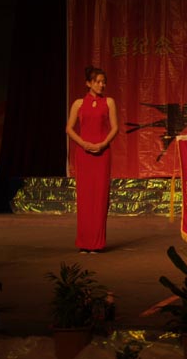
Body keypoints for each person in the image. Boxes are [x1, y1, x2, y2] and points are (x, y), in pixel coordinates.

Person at [66, 66, 118, 254]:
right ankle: (84, 242)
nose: (101, 85)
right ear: (88, 83)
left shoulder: (109, 102)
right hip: (84, 154)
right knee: (85, 197)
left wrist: (103, 144)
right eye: (97, 81)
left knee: (100, 197)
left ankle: (96, 243)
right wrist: (83, 143)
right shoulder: (78, 104)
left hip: (102, 154)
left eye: (103, 82)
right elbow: (69, 128)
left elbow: (115, 128)